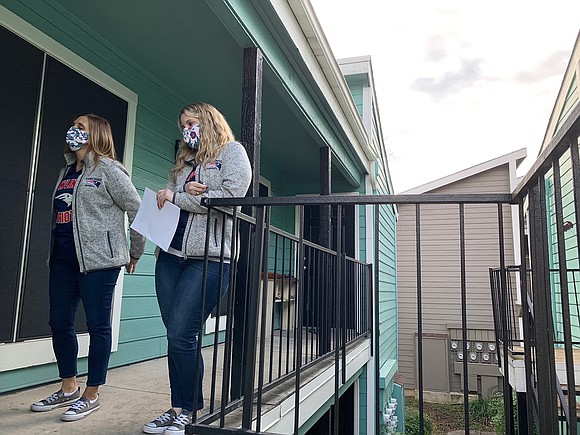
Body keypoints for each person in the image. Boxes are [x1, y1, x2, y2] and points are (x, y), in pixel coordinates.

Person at [143, 102, 251, 434]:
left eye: (192, 123)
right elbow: (170, 198)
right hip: (170, 256)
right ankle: (177, 407)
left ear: (208, 121)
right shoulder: (183, 164)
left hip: (209, 259)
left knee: (181, 333)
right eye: (183, 126)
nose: (187, 130)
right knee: (177, 336)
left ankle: (189, 410)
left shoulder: (231, 152)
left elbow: (232, 196)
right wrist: (179, 191)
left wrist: (183, 196)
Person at [30, 114, 146, 421]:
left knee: (97, 327)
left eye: (81, 127)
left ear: (95, 134)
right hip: (63, 260)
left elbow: (137, 209)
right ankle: (68, 386)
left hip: (100, 263)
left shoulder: (108, 169)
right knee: (59, 323)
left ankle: (91, 393)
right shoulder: (66, 170)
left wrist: (135, 252)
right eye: (73, 126)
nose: (74, 131)